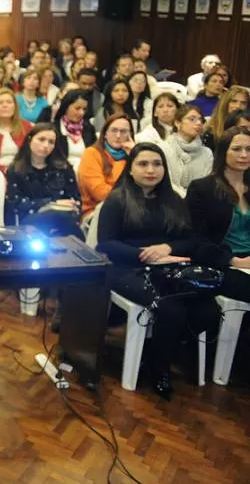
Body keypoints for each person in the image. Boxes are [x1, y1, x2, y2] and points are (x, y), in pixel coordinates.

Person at [96, 143, 225, 400]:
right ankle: (159, 368)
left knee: (208, 310)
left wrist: (166, 247)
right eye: (143, 164)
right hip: (126, 267)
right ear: (131, 169)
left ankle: (158, 352)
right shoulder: (117, 199)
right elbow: (106, 244)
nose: (151, 170)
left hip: (169, 265)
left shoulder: (174, 200)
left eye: (157, 164)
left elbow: (190, 241)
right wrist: (144, 253)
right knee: (171, 309)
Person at [186, 126, 250, 306]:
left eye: (249, 149)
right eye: (237, 149)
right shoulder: (202, 189)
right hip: (222, 263)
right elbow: (197, 240)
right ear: (223, 152)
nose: (244, 155)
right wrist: (234, 261)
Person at [6, 124, 82, 237]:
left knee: (65, 221)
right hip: (29, 221)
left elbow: (75, 199)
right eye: (41, 139)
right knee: (54, 215)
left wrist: (71, 206)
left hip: (62, 219)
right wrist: (51, 205)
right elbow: (16, 203)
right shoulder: (16, 170)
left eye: (51, 142)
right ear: (29, 140)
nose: (46, 145)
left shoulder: (64, 168)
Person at [78, 115, 133, 219]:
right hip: (95, 211)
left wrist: (134, 156)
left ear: (130, 135)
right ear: (105, 134)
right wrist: (132, 197)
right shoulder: (91, 154)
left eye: (123, 131)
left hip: (130, 209)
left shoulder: (132, 156)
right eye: (114, 130)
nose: (118, 135)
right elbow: (100, 193)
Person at [52, 90, 96, 172]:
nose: (81, 113)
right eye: (77, 108)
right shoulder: (54, 128)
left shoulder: (89, 128)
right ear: (66, 107)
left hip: (86, 171)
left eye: (84, 109)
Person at [202, 85, 250, 150]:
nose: (238, 106)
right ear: (225, 103)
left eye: (243, 103)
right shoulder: (211, 131)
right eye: (234, 101)